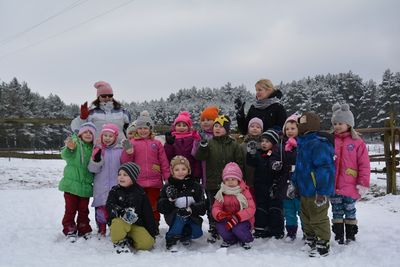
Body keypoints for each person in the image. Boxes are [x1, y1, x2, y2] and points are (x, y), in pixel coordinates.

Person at [288, 112, 335, 257]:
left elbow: (325, 169)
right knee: (306, 216)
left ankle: (323, 241)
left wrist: (322, 191)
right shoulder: (302, 143)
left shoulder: (318, 144)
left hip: (317, 191)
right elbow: (299, 168)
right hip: (304, 189)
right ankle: (311, 238)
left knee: (318, 217)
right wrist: (294, 184)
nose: (298, 125)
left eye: (301, 123)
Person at [195, 114, 244, 243]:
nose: (217, 128)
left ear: (227, 129)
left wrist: (239, 180)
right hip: (212, 183)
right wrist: (203, 146)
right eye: (216, 126)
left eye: (221, 127)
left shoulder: (234, 145)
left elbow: (240, 163)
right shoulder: (209, 143)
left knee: (229, 207)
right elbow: (199, 157)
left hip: (230, 185)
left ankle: (230, 227)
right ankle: (214, 229)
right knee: (213, 207)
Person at [120, 111, 170, 233]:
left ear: (150, 129)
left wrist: (167, 176)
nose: (143, 131)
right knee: (139, 205)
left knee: (153, 206)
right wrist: (128, 152)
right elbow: (125, 162)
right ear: (136, 130)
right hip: (138, 182)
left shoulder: (157, 143)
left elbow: (163, 161)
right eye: (140, 128)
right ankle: (141, 225)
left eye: (145, 128)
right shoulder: (132, 143)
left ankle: (154, 225)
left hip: (154, 181)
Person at [330, 103, 370, 244]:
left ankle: (351, 234)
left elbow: (364, 164)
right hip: (334, 185)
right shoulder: (330, 141)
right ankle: (339, 234)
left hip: (350, 185)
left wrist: (363, 183)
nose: (337, 126)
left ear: (349, 124)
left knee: (350, 209)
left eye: (341, 123)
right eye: (335, 123)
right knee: (336, 210)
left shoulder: (357, 142)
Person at [158, 156, 206, 251]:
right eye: (177, 169)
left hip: (192, 216)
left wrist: (191, 209)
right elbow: (160, 206)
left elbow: (203, 206)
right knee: (181, 217)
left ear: (188, 170)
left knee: (197, 233)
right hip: (174, 216)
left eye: (183, 169)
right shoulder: (168, 186)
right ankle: (171, 238)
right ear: (172, 171)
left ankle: (185, 235)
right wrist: (170, 200)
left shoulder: (195, 186)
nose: (180, 172)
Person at [106, 162, 157, 253]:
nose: (121, 177)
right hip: (120, 223)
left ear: (133, 178)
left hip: (135, 224)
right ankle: (119, 242)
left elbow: (147, 214)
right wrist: (120, 212)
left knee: (147, 243)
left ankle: (129, 240)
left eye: (125, 175)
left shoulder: (140, 193)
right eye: (119, 174)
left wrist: (152, 232)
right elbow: (109, 205)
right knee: (118, 223)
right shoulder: (115, 191)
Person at [59, 122, 96, 242]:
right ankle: (69, 228)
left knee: (83, 209)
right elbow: (65, 155)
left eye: (91, 133)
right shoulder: (75, 144)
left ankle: (83, 227)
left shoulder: (94, 148)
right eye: (85, 131)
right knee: (70, 209)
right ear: (80, 134)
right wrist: (69, 148)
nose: (88, 134)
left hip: (85, 186)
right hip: (71, 185)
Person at [88, 123, 125, 237]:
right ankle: (101, 229)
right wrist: (96, 159)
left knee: (115, 209)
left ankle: (115, 229)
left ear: (115, 137)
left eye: (110, 136)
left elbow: (124, 166)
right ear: (101, 136)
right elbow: (92, 169)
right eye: (105, 135)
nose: (107, 138)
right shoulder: (98, 150)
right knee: (101, 209)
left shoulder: (120, 150)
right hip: (101, 185)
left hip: (116, 186)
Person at [246, 129, 284, 239]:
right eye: (262, 141)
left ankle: (276, 229)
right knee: (261, 207)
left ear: (273, 143)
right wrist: (250, 154)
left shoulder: (276, 154)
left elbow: (279, 170)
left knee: (274, 208)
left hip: (273, 186)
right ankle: (260, 228)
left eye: (267, 141)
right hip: (260, 185)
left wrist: (277, 170)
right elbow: (251, 162)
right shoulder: (258, 153)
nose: (264, 143)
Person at [270, 114, 303, 242]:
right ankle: (291, 232)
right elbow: (273, 158)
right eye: (287, 128)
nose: (290, 131)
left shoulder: (303, 143)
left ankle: (307, 231)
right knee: (288, 209)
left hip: (300, 180)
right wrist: (274, 164)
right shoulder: (280, 145)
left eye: (293, 128)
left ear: (298, 129)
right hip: (284, 180)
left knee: (301, 209)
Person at [212, 162, 256, 249]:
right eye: (227, 179)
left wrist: (238, 217)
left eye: (233, 179)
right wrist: (219, 214)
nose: (230, 182)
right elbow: (216, 207)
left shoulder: (244, 191)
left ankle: (246, 239)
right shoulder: (222, 192)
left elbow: (251, 208)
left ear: (238, 180)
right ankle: (230, 239)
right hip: (227, 219)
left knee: (238, 229)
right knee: (221, 227)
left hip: (243, 220)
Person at [164, 111, 202, 179]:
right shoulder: (172, 139)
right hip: (176, 173)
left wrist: (197, 174)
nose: (181, 127)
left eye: (184, 125)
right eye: (179, 125)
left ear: (188, 127)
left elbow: (197, 158)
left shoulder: (193, 138)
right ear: (174, 127)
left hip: (191, 172)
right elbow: (168, 156)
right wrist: (168, 144)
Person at [191, 105, 220, 187]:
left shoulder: (219, 135)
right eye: (203, 120)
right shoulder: (200, 135)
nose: (205, 122)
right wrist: (197, 141)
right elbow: (194, 153)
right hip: (205, 170)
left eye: (208, 120)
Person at [239, 117, 263, 195]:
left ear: (261, 130)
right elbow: (240, 162)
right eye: (252, 126)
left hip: (261, 180)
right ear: (248, 129)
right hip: (247, 180)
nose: (255, 128)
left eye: (258, 127)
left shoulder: (264, 144)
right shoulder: (242, 145)